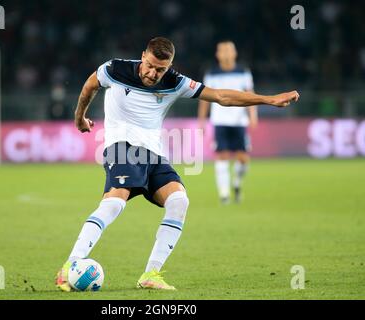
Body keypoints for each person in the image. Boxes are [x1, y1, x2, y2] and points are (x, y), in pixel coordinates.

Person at [55, 37, 299, 291]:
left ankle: (151, 274)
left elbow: (221, 97)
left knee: (179, 201)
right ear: (143, 56)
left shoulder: (175, 82)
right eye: (149, 65)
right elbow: (89, 86)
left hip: (154, 154)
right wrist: (79, 116)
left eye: (160, 69)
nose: (153, 73)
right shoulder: (115, 69)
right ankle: (69, 265)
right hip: (121, 146)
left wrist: (268, 99)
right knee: (115, 202)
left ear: (169, 65)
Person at [198, 41, 257, 204]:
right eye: (222, 51)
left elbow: (250, 94)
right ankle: (224, 194)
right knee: (222, 156)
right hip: (220, 121)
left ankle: (237, 184)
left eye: (228, 50)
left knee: (243, 158)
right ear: (217, 55)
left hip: (239, 122)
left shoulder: (243, 72)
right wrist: (201, 120)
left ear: (234, 53)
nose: (225, 53)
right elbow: (204, 99)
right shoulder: (211, 74)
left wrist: (253, 114)